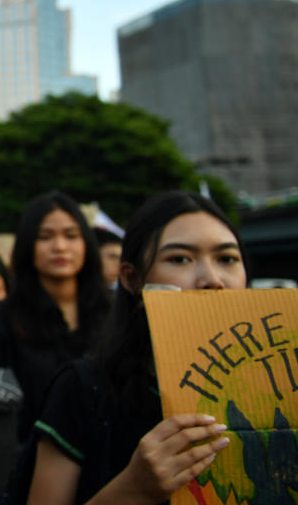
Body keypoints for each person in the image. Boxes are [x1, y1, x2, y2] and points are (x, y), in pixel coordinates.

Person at [21, 191, 242, 505]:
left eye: (227, 259)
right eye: (180, 258)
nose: (213, 279)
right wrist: (134, 489)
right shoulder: (84, 389)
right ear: (132, 279)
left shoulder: (286, 386)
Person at [0, 191, 109, 442]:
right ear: (27, 245)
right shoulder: (2, 319)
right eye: (45, 237)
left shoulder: (113, 313)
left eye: (71, 236)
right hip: (29, 461)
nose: (60, 246)